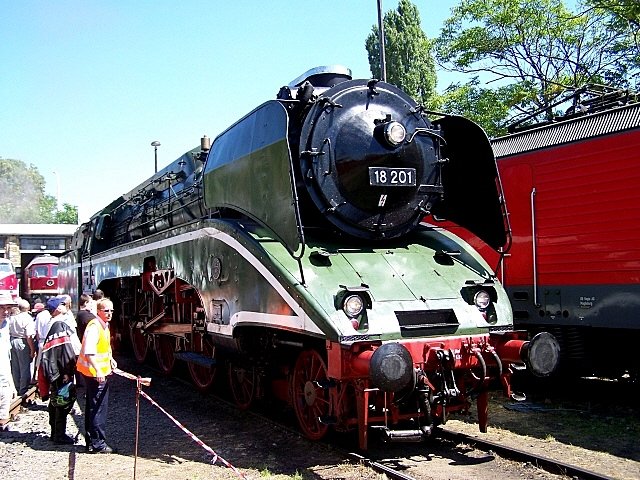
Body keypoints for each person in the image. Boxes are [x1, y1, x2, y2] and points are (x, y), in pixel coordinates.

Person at [77, 297, 117, 453]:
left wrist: (110, 359)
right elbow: (89, 351)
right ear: (98, 311)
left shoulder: (103, 325)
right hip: (94, 373)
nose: (109, 314)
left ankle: (92, 441)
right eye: (106, 310)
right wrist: (99, 370)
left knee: (94, 407)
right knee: (98, 408)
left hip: (95, 372)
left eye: (111, 311)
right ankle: (97, 444)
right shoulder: (94, 326)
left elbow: (104, 347)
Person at [38, 297, 77, 444]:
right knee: (62, 400)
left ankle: (55, 432)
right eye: (62, 304)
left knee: (55, 400)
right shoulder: (59, 324)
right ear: (57, 308)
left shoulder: (52, 323)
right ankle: (59, 435)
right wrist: (67, 370)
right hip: (60, 370)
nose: (65, 305)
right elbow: (64, 350)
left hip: (52, 367)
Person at [8, 298, 36, 398]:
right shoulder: (27, 318)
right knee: (24, 367)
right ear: (27, 307)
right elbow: (29, 336)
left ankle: (16, 387)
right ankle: (23, 389)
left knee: (14, 366)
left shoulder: (12, 317)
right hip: (22, 342)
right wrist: (32, 350)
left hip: (12, 340)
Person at [0, 294, 18, 432]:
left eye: (8, 308)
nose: (6, 311)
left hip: (4, 367)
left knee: (5, 392)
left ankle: (2, 422)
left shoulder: (6, 324)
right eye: (2, 308)